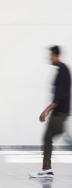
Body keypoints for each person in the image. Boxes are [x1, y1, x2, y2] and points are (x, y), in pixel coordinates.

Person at [30, 45, 71, 178]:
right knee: (49, 137)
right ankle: (47, 169)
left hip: (60, 112)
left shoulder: (62, 71)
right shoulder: (61, 70)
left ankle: (47, 169)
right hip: (59, 112)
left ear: (55, 55)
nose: (48, 57)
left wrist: (46, 111)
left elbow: (59, 96)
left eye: (50, 55)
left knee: (48, 138)